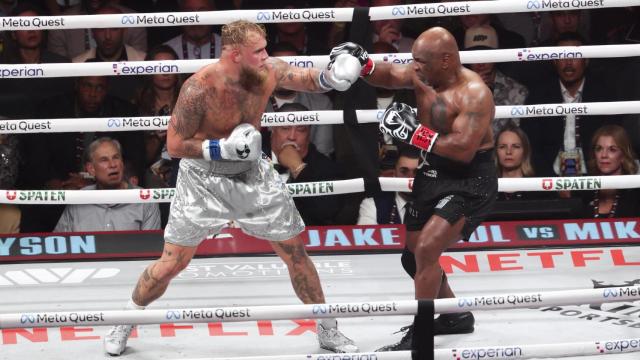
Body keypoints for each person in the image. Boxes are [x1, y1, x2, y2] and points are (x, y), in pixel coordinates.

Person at [103, 20, 362, 356]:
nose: (266, 56)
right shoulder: (199, 88)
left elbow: (310, 79)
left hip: (252, 173)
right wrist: (219, 148)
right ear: (236, 55)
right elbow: (176, 144)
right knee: (172, 263)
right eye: (258, 51)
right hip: (202, 178)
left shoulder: (267, 71)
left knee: (295, 252)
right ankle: (124, 320)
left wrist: (335, 76)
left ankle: (328, 329)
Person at [333, 26, 497, 350]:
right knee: (412, 256)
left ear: (447, 60)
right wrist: (364, 65)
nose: (415, 67)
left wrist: (416, 134)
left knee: (426, 249)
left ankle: (421, 341)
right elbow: (391, 74)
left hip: (470, 179)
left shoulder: (475, 94)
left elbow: (463, 149)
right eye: (414, 60)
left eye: (422, 61)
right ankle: (455, 315)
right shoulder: (424, 74)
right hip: (434, 171)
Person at [521, 32, 619, 178]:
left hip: (595, 177)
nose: (568, 62)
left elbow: (614, 142)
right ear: (554, 61)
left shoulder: (604, 94)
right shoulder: (538, 97)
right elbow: (531, 147)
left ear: (586, 60)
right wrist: (553, 182)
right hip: (548, 179)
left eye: (575, 55)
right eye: (562, 56)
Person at [54, 137, 161, 232]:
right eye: (104, 160)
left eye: (116, 157)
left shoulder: (145, 201)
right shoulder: (79, 200)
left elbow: (152, 251)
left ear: (122, 164)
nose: (113, 164)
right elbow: (59, 247)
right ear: (91, 169)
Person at [269, 103, 348, 225]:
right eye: (285, 128)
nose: (292, 137)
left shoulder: (326, 167)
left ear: (309, 134)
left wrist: (299, 168)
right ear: (273, 130)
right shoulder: (253, 156)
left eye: (300, 130)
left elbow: (326, 212)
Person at [463, 25, 528, 135]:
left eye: (486, 54)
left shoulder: (516, 91)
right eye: (474, 54)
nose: (480, 62)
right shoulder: (453, 91)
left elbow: (516, 137)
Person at [578, 125, 640, 218]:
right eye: (599, 149)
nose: (604, 155)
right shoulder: (584, 194)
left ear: (623, 155)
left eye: (612, 149)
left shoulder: (635, 197)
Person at [357, 146, 419, 225]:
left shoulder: (434, 205)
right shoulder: (372, 204)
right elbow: (368, 235)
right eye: (404, 171)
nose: (410, 178)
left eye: (416, 172)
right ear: (394, 174)